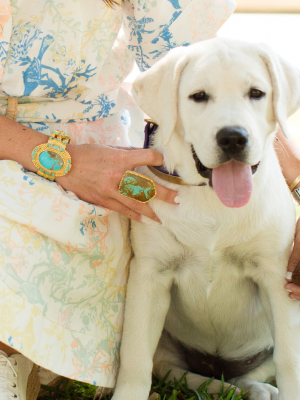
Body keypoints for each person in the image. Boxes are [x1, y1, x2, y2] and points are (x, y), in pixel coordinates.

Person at [0, 0, 237, 399]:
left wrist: (296, 182)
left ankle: (10, 354)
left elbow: (211, 68)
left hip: (93, 160)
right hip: (64, 159)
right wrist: (63, 162)